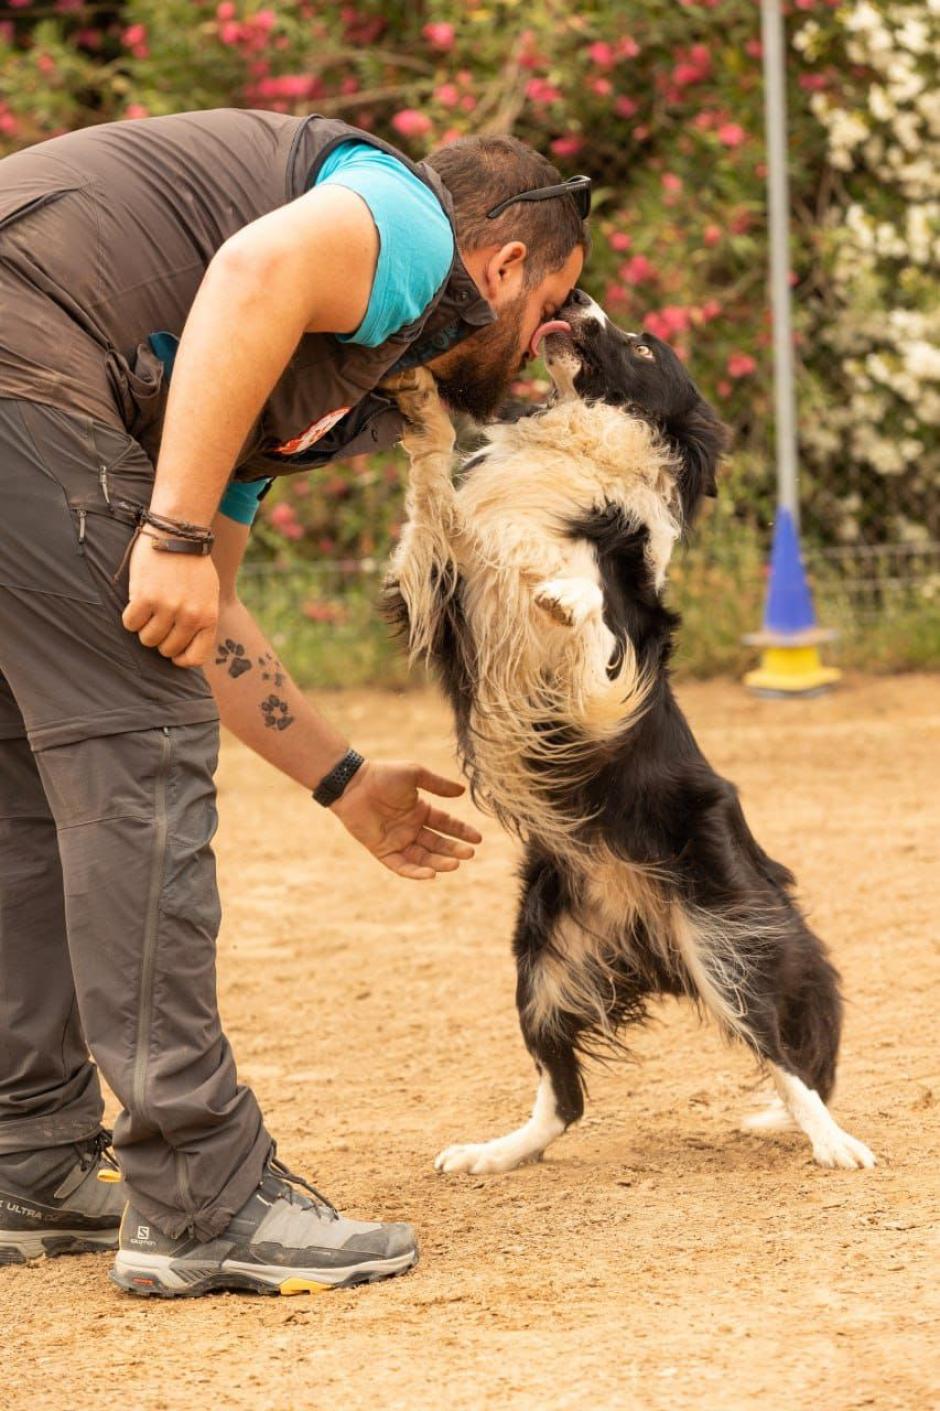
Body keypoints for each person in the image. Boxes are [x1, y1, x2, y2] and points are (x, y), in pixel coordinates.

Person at [0, 107, 589, 1297]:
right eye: (553, 304)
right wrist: (168, 530)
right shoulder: (408, 223)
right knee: (138, 761)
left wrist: (342, 779)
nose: (547, 341)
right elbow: (253, 273)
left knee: (25, 780)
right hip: (27, 376)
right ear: (504, 263)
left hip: (29, 387)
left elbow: (199, 612)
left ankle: (29, 1158)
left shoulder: (268, 384)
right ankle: (202, 1198)